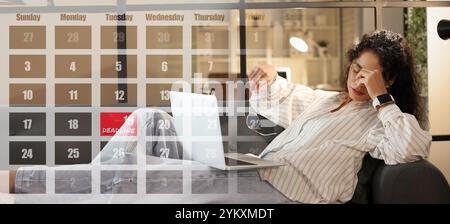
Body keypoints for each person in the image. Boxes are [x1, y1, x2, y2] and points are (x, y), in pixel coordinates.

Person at [6, 29, 431, 204]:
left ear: (389, 80)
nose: (360, 80)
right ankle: (97, 186)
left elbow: (410, 148)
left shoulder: (383, 121)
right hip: (259, 172)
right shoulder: (326, 101)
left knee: (133, 171)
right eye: (357, 69)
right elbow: (279, 97)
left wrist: (381, 99)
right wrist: (265, 76)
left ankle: (19, 181)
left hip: (286, 195)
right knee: (150, 118)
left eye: (372, 75)